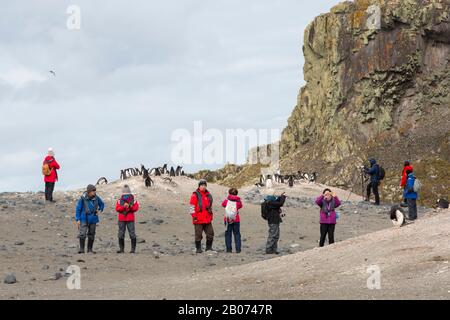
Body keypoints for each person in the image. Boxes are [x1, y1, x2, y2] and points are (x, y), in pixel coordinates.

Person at [75, 184, 105, 254]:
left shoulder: (97, 198)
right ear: (89, 192)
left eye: (95, 191)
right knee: (82, 234)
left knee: (92, 234)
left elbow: (102, 204)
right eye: (93, 191)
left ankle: (90, 250)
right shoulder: (82, 199)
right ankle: (82, 250)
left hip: (93, 218)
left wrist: (99, 210)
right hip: (84, 218)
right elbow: (78, 209)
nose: (94, 192)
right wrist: (78, 219)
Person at [189, 179, 214, 253]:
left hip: (207, 219)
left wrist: (211, 215)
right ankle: (198, 249)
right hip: (198, 219)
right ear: (199, 186)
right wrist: (195, 217)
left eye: (204, 185)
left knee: (210, 233)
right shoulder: (195, 195)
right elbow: (191, 208)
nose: (203, 187)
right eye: (201, 185)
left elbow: (210, 207)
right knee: (198, 235)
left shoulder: (209, 195)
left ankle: (208, 248)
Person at [115, 185, 140, 254]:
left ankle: (133, 250)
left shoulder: (134, 201)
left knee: (132, 234)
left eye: (127, 195)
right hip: (122, 219)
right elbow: (117, 209)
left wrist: (129, 206)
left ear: (130, 193)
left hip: (130, 219)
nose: (126, 196)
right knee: (121, 234)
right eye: (125, 195)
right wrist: (123, 207)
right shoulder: (119, 201)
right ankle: (121, 249)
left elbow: (136, 208)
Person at [221, 188, 243, 253]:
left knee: (228, 234)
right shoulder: (238, 201)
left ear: (229, 193)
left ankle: (229, 249)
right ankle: (238, 249)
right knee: (237, 234)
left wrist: (227, 199)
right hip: (236, 219)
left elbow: (223, 204)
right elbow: (240, 206)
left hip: (227, 219)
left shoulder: (227, 200)